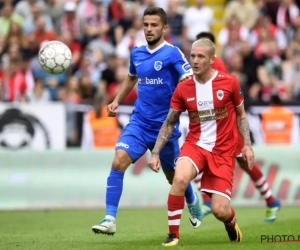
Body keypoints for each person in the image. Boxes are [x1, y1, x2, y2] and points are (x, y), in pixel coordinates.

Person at [91, 7, 202, 236]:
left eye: (154, 25)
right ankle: (110, 218)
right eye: (146, 25)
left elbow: (190, 81)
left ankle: (192, 201)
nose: (149, 29)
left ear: (164, 28)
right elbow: (132, 76)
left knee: (174, 177)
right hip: (140, 123)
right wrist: (117, 100)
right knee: (118, 160)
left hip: (165, 128)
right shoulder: (137, 53)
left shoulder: (173, 54)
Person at [148, 38, 254, 246]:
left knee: (219, 210)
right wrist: (155, 152)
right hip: (195, 145)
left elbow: (241, 115)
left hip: (223, 151)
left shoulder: (229, 82)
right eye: (193, 56)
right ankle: (173, 234)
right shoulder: (184, 88)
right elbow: (170, 122)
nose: (195, 61)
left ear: (212, 59)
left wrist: (247, 145)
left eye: (201, 57)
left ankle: (231, 222)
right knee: (179, 179)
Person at [195, 32, 281, 222]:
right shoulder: (209, 65)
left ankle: (208, 200)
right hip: (219, 126)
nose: (196, 58)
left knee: (202, 156)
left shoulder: (214, 67)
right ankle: (271, 200)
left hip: (226, 127)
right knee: (242, 163)